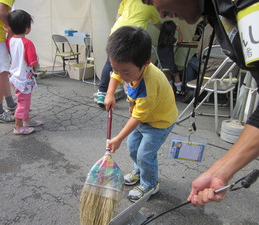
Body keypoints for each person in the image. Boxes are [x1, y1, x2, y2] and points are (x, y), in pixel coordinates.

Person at [143, 0, 259, 206]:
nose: (160, 14)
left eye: (151, 0)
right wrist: (220, 172)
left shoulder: (243, 3)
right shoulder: (216, 14)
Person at [104, 26, 178, 202]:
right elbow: (117, 75)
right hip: (143, 118)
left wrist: (118, 138)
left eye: (126, 72)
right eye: (115, 68)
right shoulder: (127, 65)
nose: (121, 74)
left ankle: (150, 184)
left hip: (159, 122)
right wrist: (110, 93)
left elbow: (137, 117)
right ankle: (139, 172)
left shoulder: (149, 85)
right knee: (134, 147)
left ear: (145, 63)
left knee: (145, 154)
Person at [95, 0, 162, 107]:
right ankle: (125, 94)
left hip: (117, 32)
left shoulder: (127, 0)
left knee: (112, 64)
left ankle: (102, 92)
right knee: (126, 68)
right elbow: (158, 24)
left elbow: (118, 17)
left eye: (124, 73)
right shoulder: (151, 5)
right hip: (134, 39)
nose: (120, 76)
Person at [7, 9, 43, 135]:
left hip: (15, 76)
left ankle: (26, 119)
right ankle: (18, 126)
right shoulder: (27, 43)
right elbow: (33, 62)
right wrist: (36, 67)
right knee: (23, 103)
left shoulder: (10, 40)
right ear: (27, 27)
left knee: (24, 101)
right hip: (24, 77)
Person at [157, 20, 184, 95]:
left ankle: (170, 89)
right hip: (170, 64)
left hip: (162, 64)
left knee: (168, 74)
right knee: (176, 74)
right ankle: (179, 90)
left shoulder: (161, 39)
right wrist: (179, 30)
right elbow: (180, 41)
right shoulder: (171, 39)